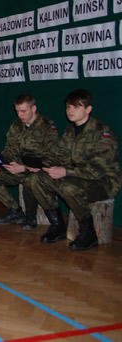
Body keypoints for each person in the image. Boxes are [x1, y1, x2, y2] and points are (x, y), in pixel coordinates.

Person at [23, 89, 121, 250]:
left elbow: (98, 170)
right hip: (79, 177)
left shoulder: (102, 133)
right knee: (36, 179)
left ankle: (88, 234)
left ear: (88, 109)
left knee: (69, 188)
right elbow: (60, 156)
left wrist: (66, 172)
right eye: (68, 107)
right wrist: (43, 166)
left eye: (76, 107)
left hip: (103, 182)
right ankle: (58, 226)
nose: (70, 110)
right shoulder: (70, 131)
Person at [0, 94, 59, 229]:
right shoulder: (16, 126)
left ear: (33, 109)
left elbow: (52, 156)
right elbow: (9, 151)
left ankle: (30, 216)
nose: (20, 115)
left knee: (30, 179)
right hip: (18, 169)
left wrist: (24, 167)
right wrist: (1, 165)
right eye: (17, 111)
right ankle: (14, 210)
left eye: (23, 111)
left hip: (39, 171)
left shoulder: (47, 126)